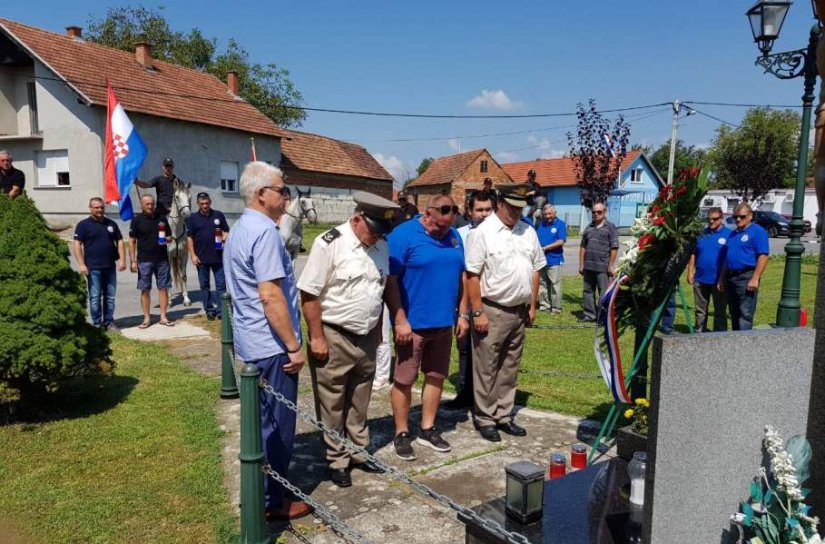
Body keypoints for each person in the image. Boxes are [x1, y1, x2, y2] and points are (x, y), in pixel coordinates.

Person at [298, 192, 405, 487]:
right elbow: (309, 293)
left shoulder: (381, 244)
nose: (376, 237)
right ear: (357, 219)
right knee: (332, 401)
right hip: (334, 334)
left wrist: (394, 320)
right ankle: (337, 459)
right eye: (372, 230)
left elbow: (385, 287)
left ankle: (358, 451)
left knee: (360, 398)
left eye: (381, 233)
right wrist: (317, 337)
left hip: (367, 335)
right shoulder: (329, 243)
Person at [223, 162, 311, 521]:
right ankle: (274, 501)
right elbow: (271, 296)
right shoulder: (265, 235)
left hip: (251, 343)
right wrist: (293, 345)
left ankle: (261, 490)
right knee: (278, 426)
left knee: (260, 423)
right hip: (273, 348)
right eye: (281, 190)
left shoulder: (241, 228)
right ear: (262, 194)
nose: (286, 196)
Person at [388, 195, 467, 460]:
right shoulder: (403, 235)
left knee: (436, 376)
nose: (444, 230)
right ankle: (401, 432)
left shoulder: (454, 235)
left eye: (449, 223)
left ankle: (427, 428)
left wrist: (463, 314)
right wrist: (400, 319)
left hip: (444, 322)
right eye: (439, 225)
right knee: (404, 380)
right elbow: (391, 280)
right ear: (427, 214)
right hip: (412, 325)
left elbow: (462, 275)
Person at [464, 184, 545, 442]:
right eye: (512, 207)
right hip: (493, 309)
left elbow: (535, 270)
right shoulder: (483, 233)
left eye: (521, 208)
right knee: (487, 366)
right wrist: (477, 312)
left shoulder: (528, 231)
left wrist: (532, 305)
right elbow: (472, 275)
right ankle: (485, 417)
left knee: (510, 366)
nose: (517, 212)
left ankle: (503, 415)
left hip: (519, 311)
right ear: (499, 203)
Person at [444, 190, 494, 410]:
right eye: (479, 210)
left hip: (490, 301)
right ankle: (465, 392)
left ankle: (486, 398)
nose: (484, 214)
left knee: (488, 351)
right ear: (470, 211)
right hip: (464, 301)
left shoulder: (500, 233)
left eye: (488, 209)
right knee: (464, 348)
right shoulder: (458, 235)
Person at [73, 197, 126, 332]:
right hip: (93, 267)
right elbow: (77, 244)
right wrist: (81, 264)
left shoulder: (111, 224)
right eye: (96, 207)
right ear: (90, 208)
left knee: (110, 296)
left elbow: (120, 241)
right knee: (95, 297)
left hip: (110, 266)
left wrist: (122, 260)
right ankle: (97, 324)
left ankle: (109, 322)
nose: (99, 210)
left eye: (101, 207)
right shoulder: (83, 225)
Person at [717, 203, 769, 331]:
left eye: (742, 216)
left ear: (750, 216)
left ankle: (744, 345)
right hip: (731, 277)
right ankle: (736, 342)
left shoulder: (758, 232)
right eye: (735, 217)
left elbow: (763, 256)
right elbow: (726, 258)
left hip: (746, 277)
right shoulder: (733, 234)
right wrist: (721, 278)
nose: (738, 219)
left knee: (745, 314)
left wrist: (755, 278)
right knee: (734, 313)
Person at [128, 194, 174, 329]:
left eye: (152, 204)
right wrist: (132, 261)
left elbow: (170, 236)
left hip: (162, 260)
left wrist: (168, 239)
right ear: (142, 205)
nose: (150, 206)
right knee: (145, 289)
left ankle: (163, 317)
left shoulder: (162, 219)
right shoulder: (137, 220)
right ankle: (146, 318)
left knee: (163, 288)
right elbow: (131, 241)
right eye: (147, 204)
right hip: (144, 260)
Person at [186, 192, 229, 320]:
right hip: (201, 258)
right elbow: (190, 238)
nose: (205, 205)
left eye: (206, 203)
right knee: (205, 286)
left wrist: (223, 239)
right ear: (198, 204)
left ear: (210, 202)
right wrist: (193, 255)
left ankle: (221, 311)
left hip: (218, 257)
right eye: (202, 203)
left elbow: (226, 231)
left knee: (221, 285)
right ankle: (209, 310)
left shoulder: (218, 215)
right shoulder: (193, 218)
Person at [687, 207, 729, 332]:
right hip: (700, 279)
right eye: (709, 219)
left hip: (719, 280)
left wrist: (722, 278)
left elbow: (729, 258)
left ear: (721, 219)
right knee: (700, 310)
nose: (711, 222)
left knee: (720, 310)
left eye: (715, 219)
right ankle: (699, 332)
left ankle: (719, 335)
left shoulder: (728, 234)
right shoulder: (701, 234)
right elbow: (693, 253)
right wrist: (690, 272)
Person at [578, 203, 619, 322]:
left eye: (599, 212)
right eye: (594, 212)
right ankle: (590, 315)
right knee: (588, 291)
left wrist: (611, 265)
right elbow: (582, 248)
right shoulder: (588, 227)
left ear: (604, 212)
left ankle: (603, 316)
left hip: (603, 268)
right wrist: (581, 264)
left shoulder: (610, 227)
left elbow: (614, 248)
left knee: (603, 293)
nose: (596, 214)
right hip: (588, 267)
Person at [535, 203, 566, 315]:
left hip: (554, 260)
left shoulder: (560, 224)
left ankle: (556, 308)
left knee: (555, 285)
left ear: (554, 213)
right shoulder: (541, 224)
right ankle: (544, 306)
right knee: (542, 284)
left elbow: (561, 241)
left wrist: (546, 248)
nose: (547, 216)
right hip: (541, 260)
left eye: (549, 214)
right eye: (545, 214)